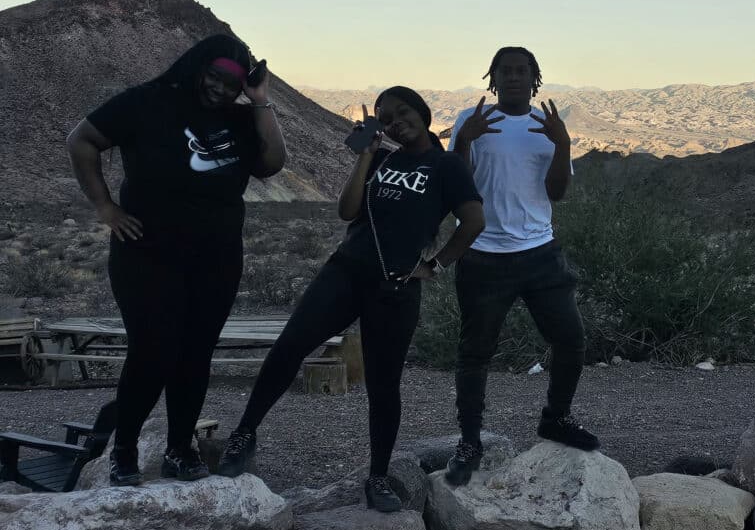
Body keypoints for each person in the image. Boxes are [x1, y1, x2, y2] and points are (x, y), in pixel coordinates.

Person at [219, 86, 484, 512]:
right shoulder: (380, 157)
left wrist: (435, 266)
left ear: (422, 112)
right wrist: (366, 151)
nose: (397, 122)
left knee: (383, 386)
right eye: (386, 117)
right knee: (290, 347)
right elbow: (346, 211)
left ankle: (377, 476)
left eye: (403, 112)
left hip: (396, 287)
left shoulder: (446, 165)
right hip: (345, 271)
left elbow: (473, 221)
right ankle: (244, 434)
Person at [66, 34, 287, 486]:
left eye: (235, 83)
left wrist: (261, 100)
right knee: (152, 352)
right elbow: (82, 140)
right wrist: (105, 207)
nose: (222, 89)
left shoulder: (242, 118)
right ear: (196, 67)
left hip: (217, 258)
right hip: (147, 253)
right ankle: (123, 448)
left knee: (195, 354)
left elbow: (273, 163)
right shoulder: (146, 102)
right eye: (215, 77)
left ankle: (179, 448)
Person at [444, 46, 598, 487]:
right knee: (475, 353)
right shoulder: (469, 121)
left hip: (540, 253)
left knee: (570, 340)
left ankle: (556, 418)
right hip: (483, 254)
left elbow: (557, 193)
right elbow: (457, 183)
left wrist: (563, 143)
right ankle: (469, 441)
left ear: (535, 78)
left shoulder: (545, 127)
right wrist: (465, 139)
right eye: (504, 70)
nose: (512, 76)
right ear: (491, 77)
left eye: (521, 70)